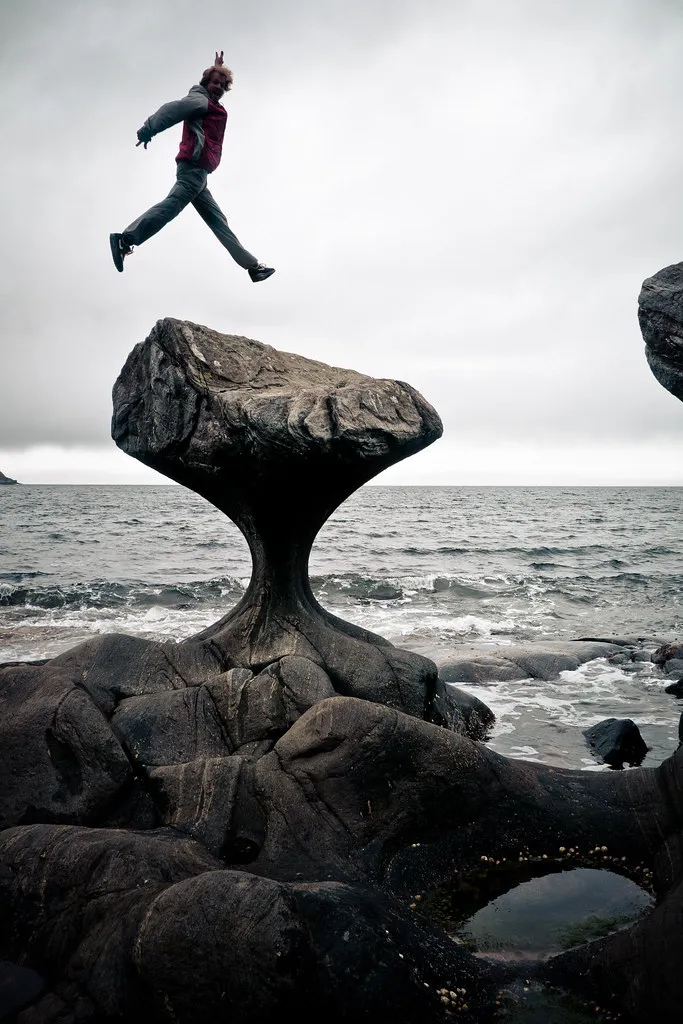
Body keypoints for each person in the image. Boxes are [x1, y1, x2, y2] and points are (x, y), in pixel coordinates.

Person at [109, 51, 275, 283]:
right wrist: (148, 129)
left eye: (223, 84)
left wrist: (218, 67)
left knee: (218, 221)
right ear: (206, 83)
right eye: (214, 82)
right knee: (171, 206)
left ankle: (253, 266)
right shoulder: (201, 101)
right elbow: (172, 109)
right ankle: (124, 239)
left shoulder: (212, 104)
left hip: (201, 174)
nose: (218, 86)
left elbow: (212, 84)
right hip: (193, 170)